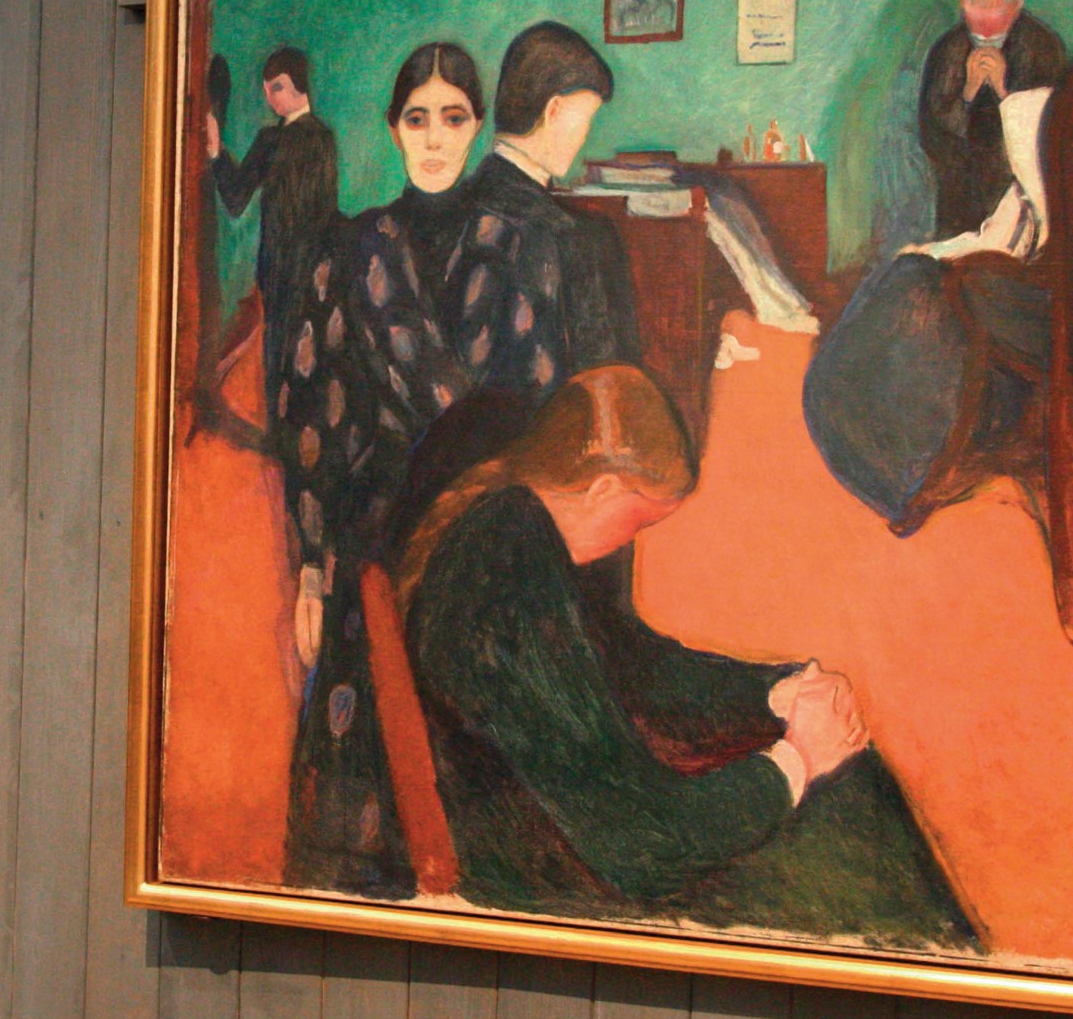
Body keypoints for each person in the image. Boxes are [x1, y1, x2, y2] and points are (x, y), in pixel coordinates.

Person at [397, 366, 975, 941]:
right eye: (638, 522)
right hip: (550, 874)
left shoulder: (526, 521)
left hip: (583, 822)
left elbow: (635, 666)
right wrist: (796, 760)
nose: (634, 539)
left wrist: (772, 693)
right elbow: (640, 849)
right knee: (850, 828)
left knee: (848, 783)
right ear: (603, 488)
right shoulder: (509, 590)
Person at [276, 44, 483, 895]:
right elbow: (310, 413)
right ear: (393, 130)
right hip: (370, 528)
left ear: (477, 127)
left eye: (453, 118)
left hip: (474, 521)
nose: (434, 139)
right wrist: (310, 570)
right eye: (417, 119)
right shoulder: (357, 246)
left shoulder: (501, 244)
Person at [804, 87, 1062, 522]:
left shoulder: (1060, 205)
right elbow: (990, 238)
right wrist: (929, 252)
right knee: (905, 272)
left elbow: (1012, 260)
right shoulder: (1026, 195)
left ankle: (891, 459)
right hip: (996, 285)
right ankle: (850, 418)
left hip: (1018, 310)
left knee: (908, 291)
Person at [444, 21, 643, 403]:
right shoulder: (581, 239)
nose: (585, 135)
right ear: (554, 110)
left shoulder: (450, 213)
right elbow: (615, 396)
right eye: (586, 118)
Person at [206, 46, 341, 431]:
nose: (271, 98)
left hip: (314, 272)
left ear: (300, 85)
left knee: (312, 360)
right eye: (267, 90)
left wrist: (325, 268)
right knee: (275, 355)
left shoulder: (321, 140)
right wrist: (216, 153)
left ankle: (304, 435)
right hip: (276, 271)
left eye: (277, 87)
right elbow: (236, 198)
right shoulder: (269, 139)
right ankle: (276, 437)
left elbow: (325, 212)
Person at [919, 0, 1067, 239]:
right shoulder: (947, 49)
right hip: (962, 196)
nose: (986, 28)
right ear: (963, 7)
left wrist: (1004, 91)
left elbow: (1049, 127)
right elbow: (932, 131)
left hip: (1021, 190)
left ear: (1017, 5)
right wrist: (968, 91)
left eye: (995, 13)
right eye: (976, 14)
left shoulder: (1042, 46)